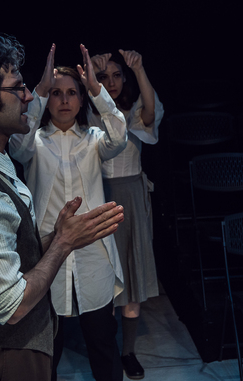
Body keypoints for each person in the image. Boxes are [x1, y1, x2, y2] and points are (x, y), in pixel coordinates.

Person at [0, 31, 124, 381]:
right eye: (19, 89)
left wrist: (61, 236)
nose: (31, 95)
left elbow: (15, 250)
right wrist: (63, 242)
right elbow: (12, 306)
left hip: (21, 350)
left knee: (103, 343)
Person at [8, 44, 127, 381]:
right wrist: (40, 90)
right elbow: (18, 143)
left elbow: (120, 136)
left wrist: (96, 89)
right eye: (57, 93)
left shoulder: (93, 139)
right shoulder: (34, 142)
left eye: (71, 93)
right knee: (49, 350)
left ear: (80, 99)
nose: (63, 100)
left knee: (103, 343)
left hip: (93, 258)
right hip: (48, 256)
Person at [88, 49, 164, 380]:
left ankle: (128, 351)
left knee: (132, 276)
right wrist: (88, 71)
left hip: (131, 197)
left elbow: (150, 113)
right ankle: (102, 349)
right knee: (103, 277)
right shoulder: (87, 114)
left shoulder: (132, 111)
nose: (112, 82)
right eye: (104, 77)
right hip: (98, 196)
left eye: (117, 75)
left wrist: (140, 70)